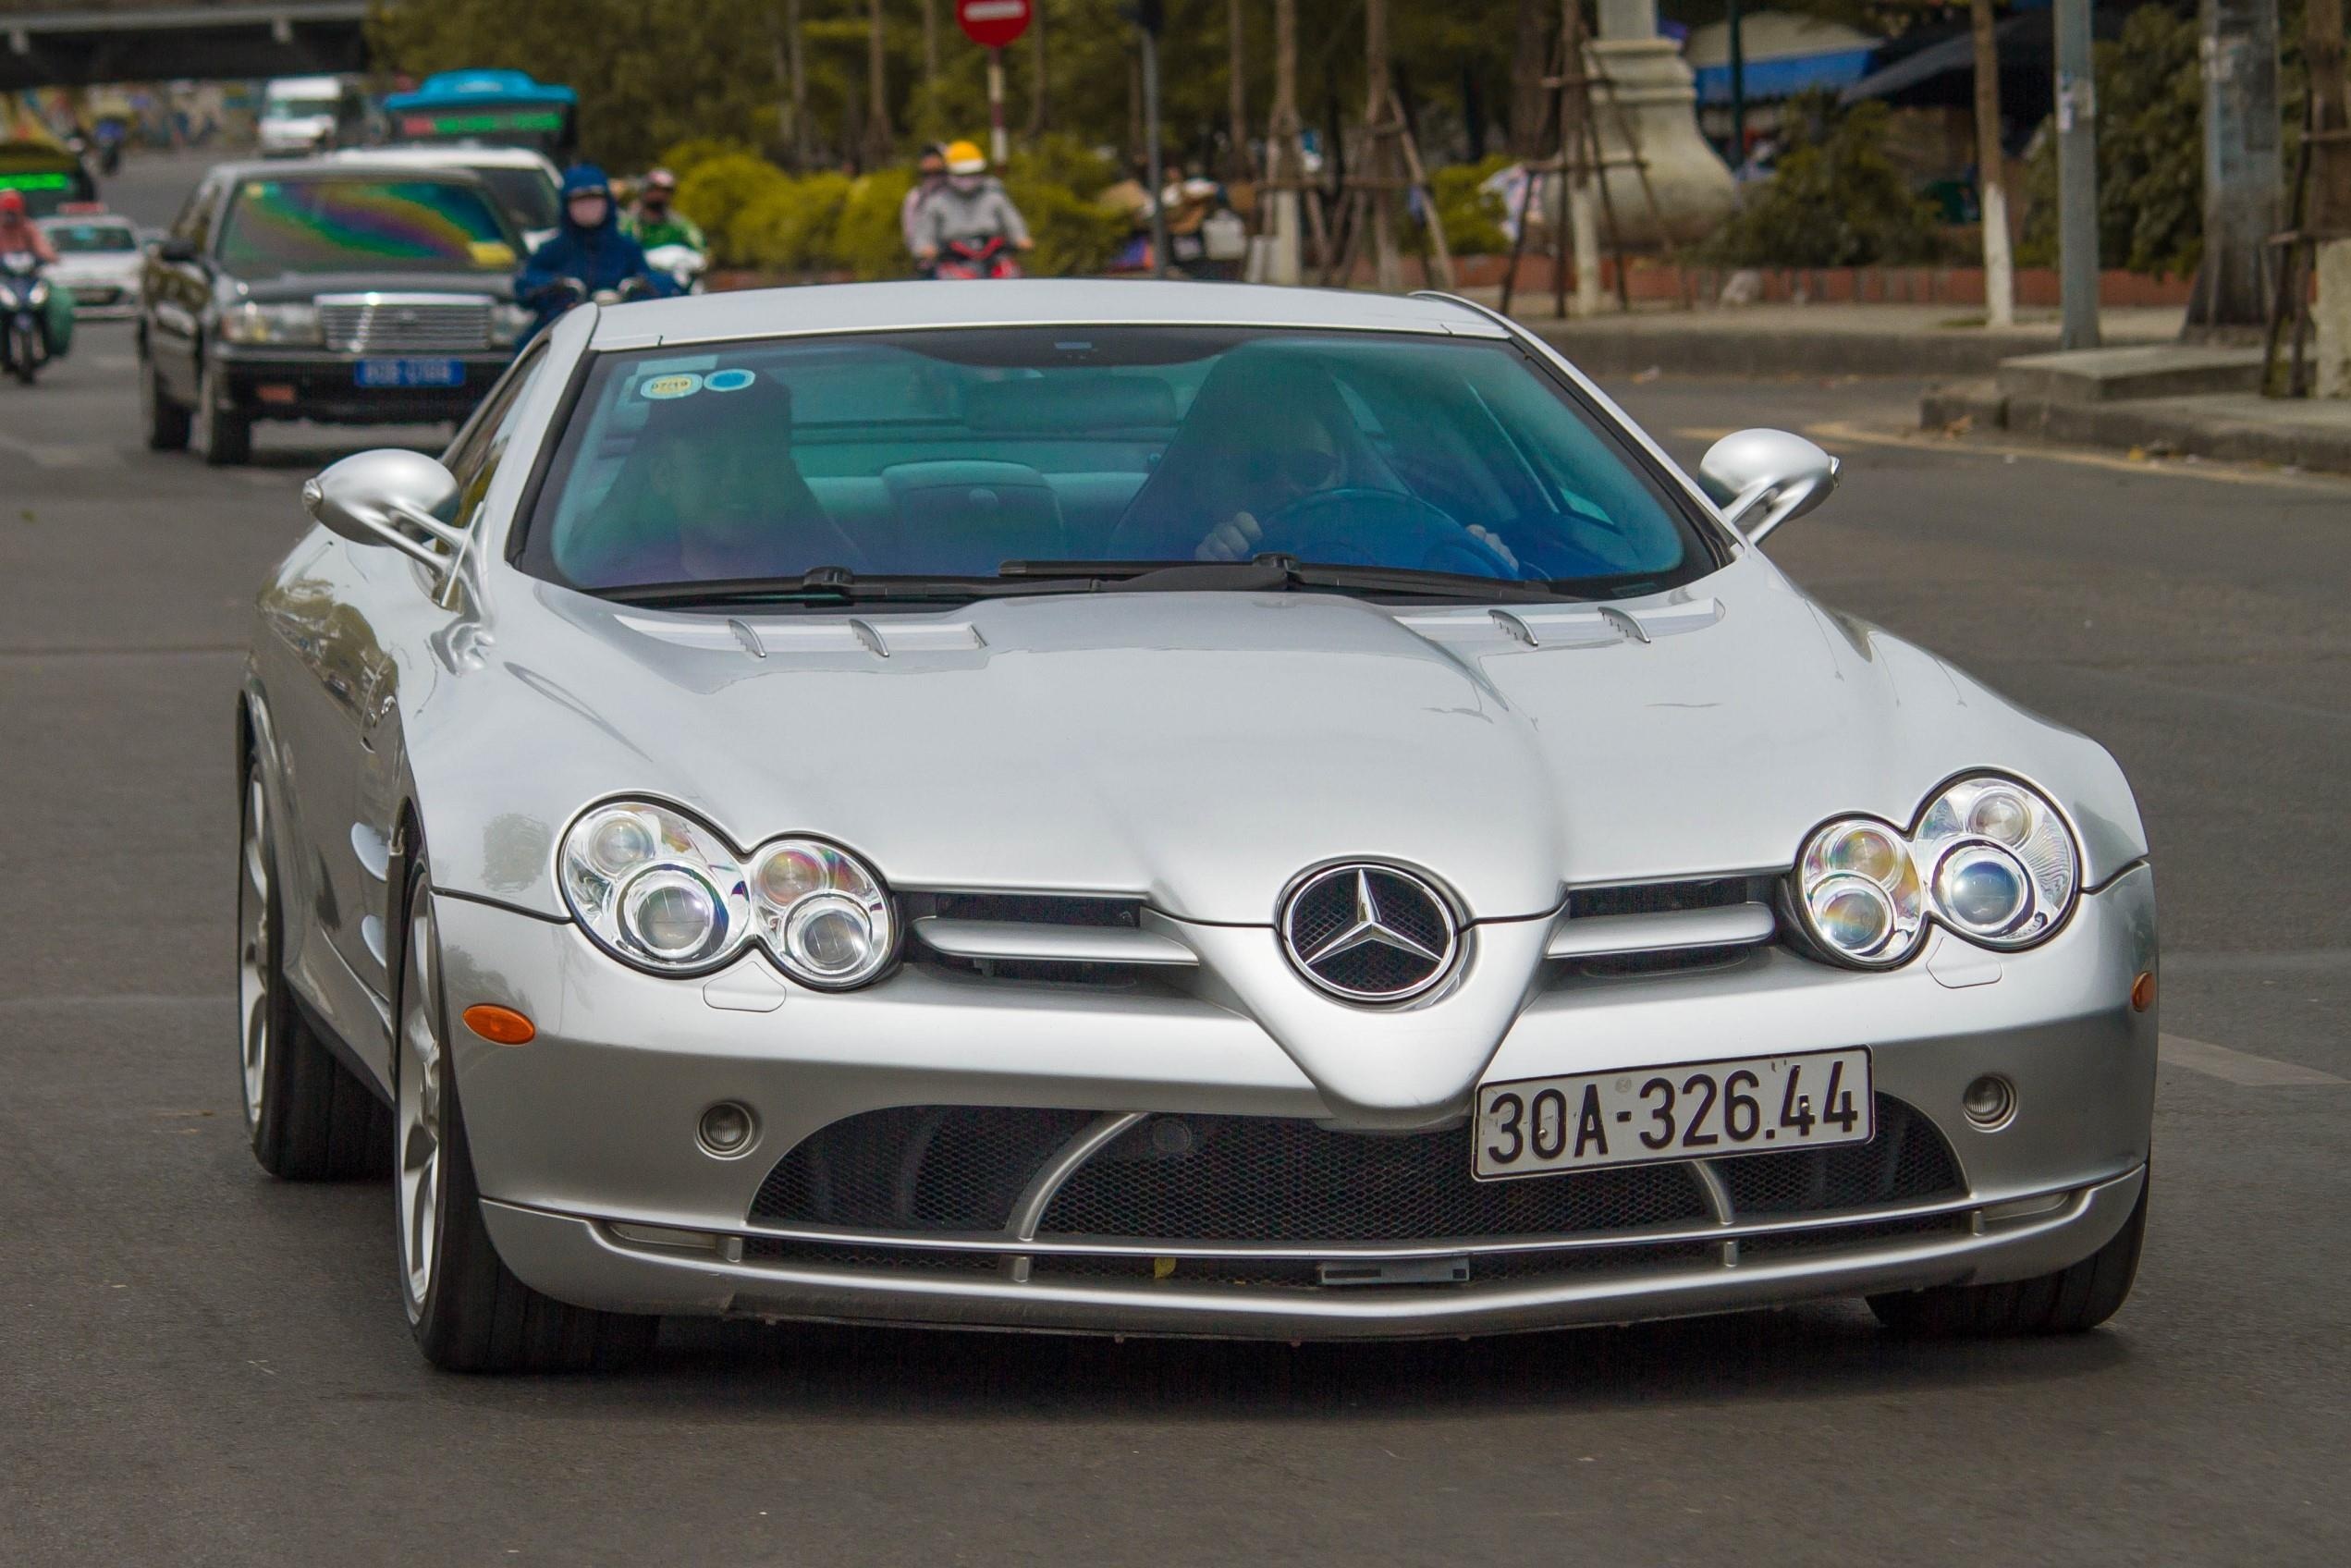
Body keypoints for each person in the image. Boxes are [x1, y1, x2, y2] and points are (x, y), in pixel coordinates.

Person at [558, 372, 871, 587]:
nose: (736, 480)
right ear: (664, 476)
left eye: (759, 460)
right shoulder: (613, 603)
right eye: (711, 461)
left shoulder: (854, 589)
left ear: (786, 475)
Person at [514, 165, 669, 345]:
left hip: (622, 333)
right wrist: (556, 288)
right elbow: (524, 285)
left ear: (608, 201)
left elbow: (655, 283)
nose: (588, 206)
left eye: (595, 198)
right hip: (564, 335)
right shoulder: (553, 249)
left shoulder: (627, 248)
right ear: (566, 204)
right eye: (579, 199)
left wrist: (637, 288)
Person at [911, 141, 1033, 271]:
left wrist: (1021, 238)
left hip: (993, 257)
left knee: (1011, 272)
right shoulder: (937, 201)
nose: (967, 179)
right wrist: (925, 248)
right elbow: (924, 234)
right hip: (954, 260)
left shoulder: (993, 195)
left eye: (972, 173)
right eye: (962, 174)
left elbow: (1012, 220)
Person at [624, 168, 704, 252]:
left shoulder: (679, 224)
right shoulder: (630, 223)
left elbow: (699, 246)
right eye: (655, 189)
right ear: (645, 191)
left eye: (666, 191)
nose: (660, 195)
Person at [900, 143, 948, 267]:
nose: (933, 178)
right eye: (927, 173)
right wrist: (922, 250)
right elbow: (910, 235)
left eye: (937, 173)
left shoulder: (954, 195)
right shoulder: (915, 198)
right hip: (929, 265)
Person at [0, 190, 58, 266]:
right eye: (7, 212)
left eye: (13, 212)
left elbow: (42, 246)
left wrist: (49, 256)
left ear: (21, 211)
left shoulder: (28, 227)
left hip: (29, 272)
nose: (10, 217)